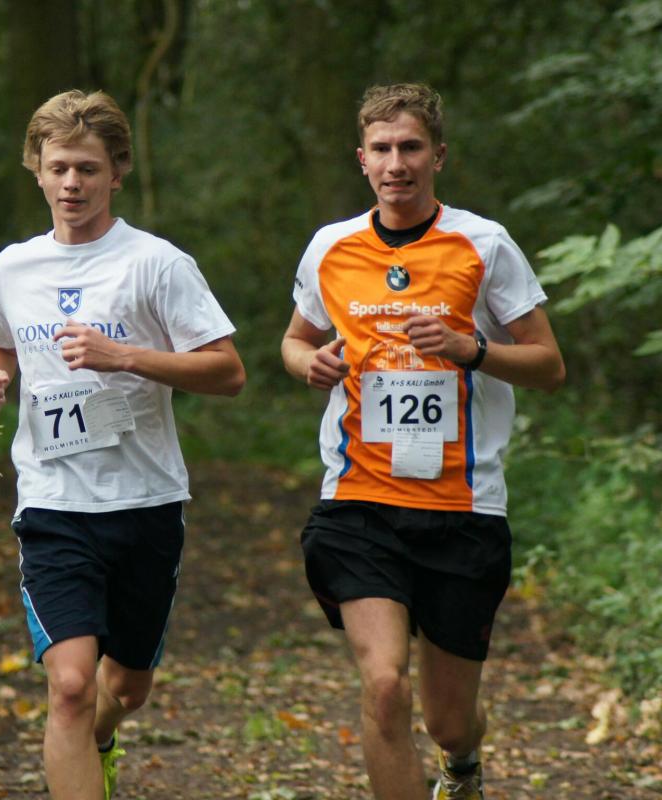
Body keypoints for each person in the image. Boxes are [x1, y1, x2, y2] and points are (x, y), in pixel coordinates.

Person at [281, 83, 565, 800]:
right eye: (381, 149)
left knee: (448, 721)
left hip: (462, 507)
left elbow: (549, 365)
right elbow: (295, 339)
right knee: (384, 686)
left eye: (410, 148)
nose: (396, 163)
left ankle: (462, 765)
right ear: (362, 159)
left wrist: (472, 349)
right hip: (359, 500)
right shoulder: (331, 247)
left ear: (438, 156)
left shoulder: (484, 244)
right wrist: (308, 363)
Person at [0, 89, 245, 800]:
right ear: (36, 169)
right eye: (58, 167)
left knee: (124, 687)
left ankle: (102, 741)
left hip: (145, 501)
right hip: (53, 504)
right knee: (69, 685)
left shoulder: (157, 264)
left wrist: (124, 356)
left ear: (116, 171)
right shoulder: (12, 269)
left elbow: (227, 372)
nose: (71, 183)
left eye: (87, 168)